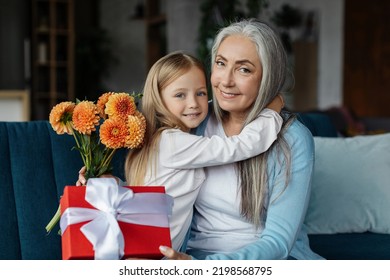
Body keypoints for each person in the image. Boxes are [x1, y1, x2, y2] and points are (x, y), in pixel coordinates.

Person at [77, 51, 284, 252]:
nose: (193, 103)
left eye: (201, 93)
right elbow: (237, 147)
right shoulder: (173, 142)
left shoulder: (158, 140)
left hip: (143, 249)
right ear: (159, 100)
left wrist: (113, 184)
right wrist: (270, 113)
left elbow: (146, 197)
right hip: (149, 256)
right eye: (180, 95)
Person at [159, 19, 324, 260]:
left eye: (244, 69)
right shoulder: (194, 120)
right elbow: (156, 179)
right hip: (190, 255)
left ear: (267, 76)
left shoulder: (293, 139)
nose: (225, 81)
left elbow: (278, 242)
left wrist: (207, 267)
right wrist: (107, 184)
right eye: (221, 64)